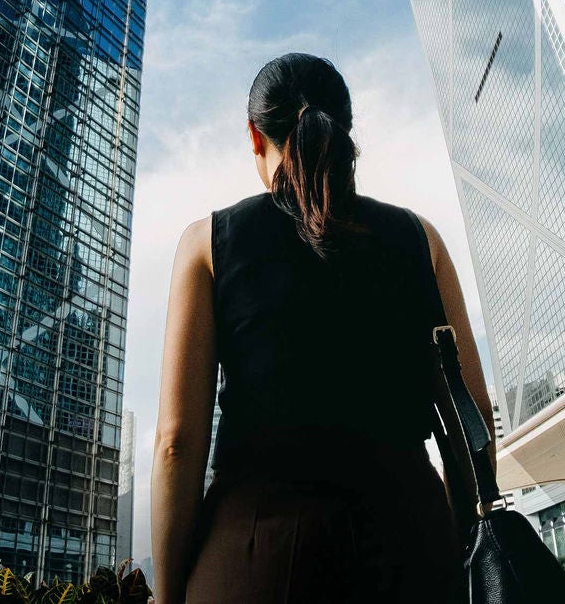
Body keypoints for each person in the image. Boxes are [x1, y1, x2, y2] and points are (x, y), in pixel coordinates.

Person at [150, 53, 490, 604]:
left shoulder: (206, 243)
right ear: (344, 131)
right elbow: (471, 413)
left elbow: (175, 444)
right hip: (412, 547)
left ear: (255, 137)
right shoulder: (420, 239)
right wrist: (460, 547)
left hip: (255, 554)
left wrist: (167, 596)